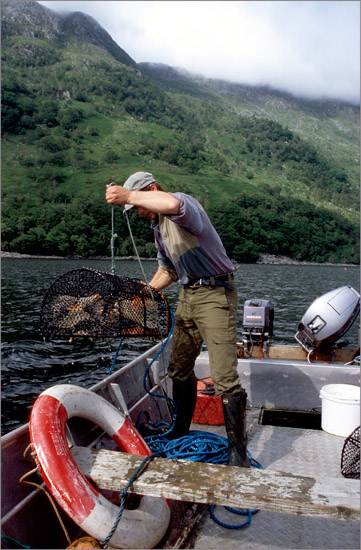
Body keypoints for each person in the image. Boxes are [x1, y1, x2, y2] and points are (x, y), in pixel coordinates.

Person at [105, 172, 250, 468]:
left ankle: (238, 452)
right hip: (189, 295)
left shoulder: (183, 205)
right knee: (179, 367)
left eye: (141, 205)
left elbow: (170, 204)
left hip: (216, 294)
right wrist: (143, 294)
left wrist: (128, 195)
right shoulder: (158, 228)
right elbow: (169, 271)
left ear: (152, 189)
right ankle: (180, 430)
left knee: (223, 377)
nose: (140, 213)